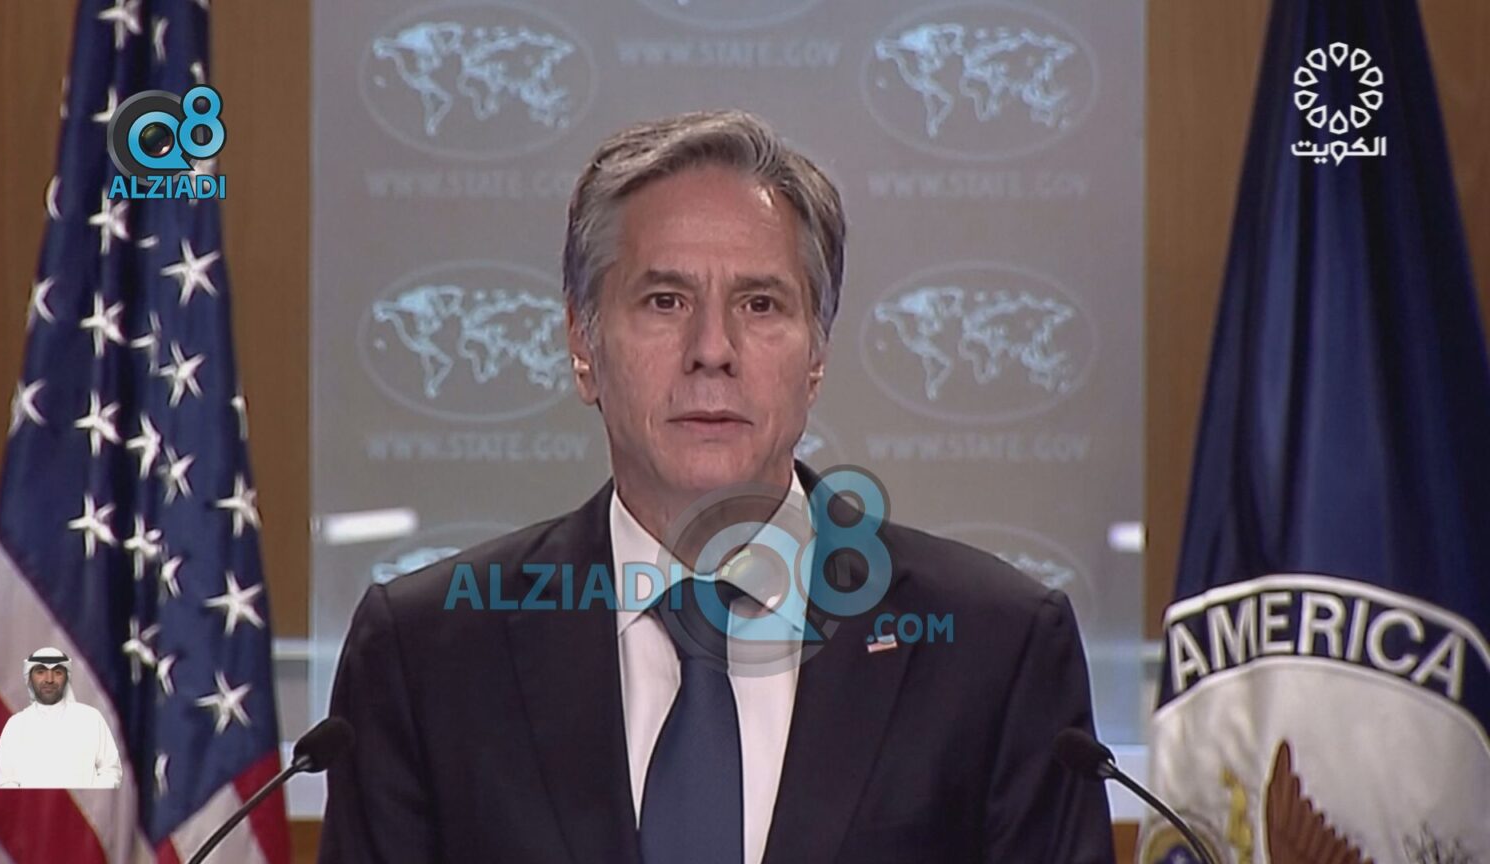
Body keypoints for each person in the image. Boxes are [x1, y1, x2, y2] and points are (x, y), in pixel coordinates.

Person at [320, 110, 1113, 863]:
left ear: (816, 356)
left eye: (760, 304)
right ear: (582, 344)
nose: (712, 349)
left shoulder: (996, 649)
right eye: (665, 301)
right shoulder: (426, 658)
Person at [0, 647, 122, 789]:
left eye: (57, 672)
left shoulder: (91, 719)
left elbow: (111, 772)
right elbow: (3, 780)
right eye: (40, 672)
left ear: (67, 678)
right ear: (29, 678)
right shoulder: (16, 725)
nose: (49, 679)